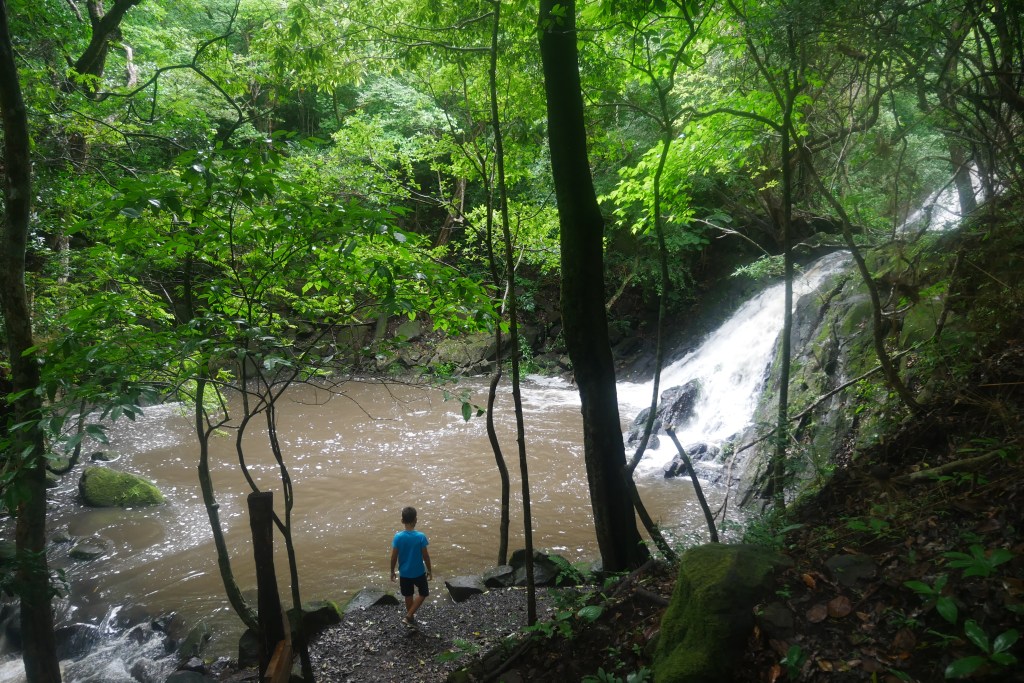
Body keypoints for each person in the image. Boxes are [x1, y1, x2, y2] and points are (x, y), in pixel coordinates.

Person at [389, 506, 432, 625]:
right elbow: (426, 556)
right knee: (423, 593)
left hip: (404, 573)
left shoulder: (398, 537)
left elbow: (394, 557)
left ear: (402, 521)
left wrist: (392, 571)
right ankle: (409, 616)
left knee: (408, 595)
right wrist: (429, 570)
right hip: (418, 572)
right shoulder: (420, 536)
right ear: (416, 520)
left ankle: (410, 617)